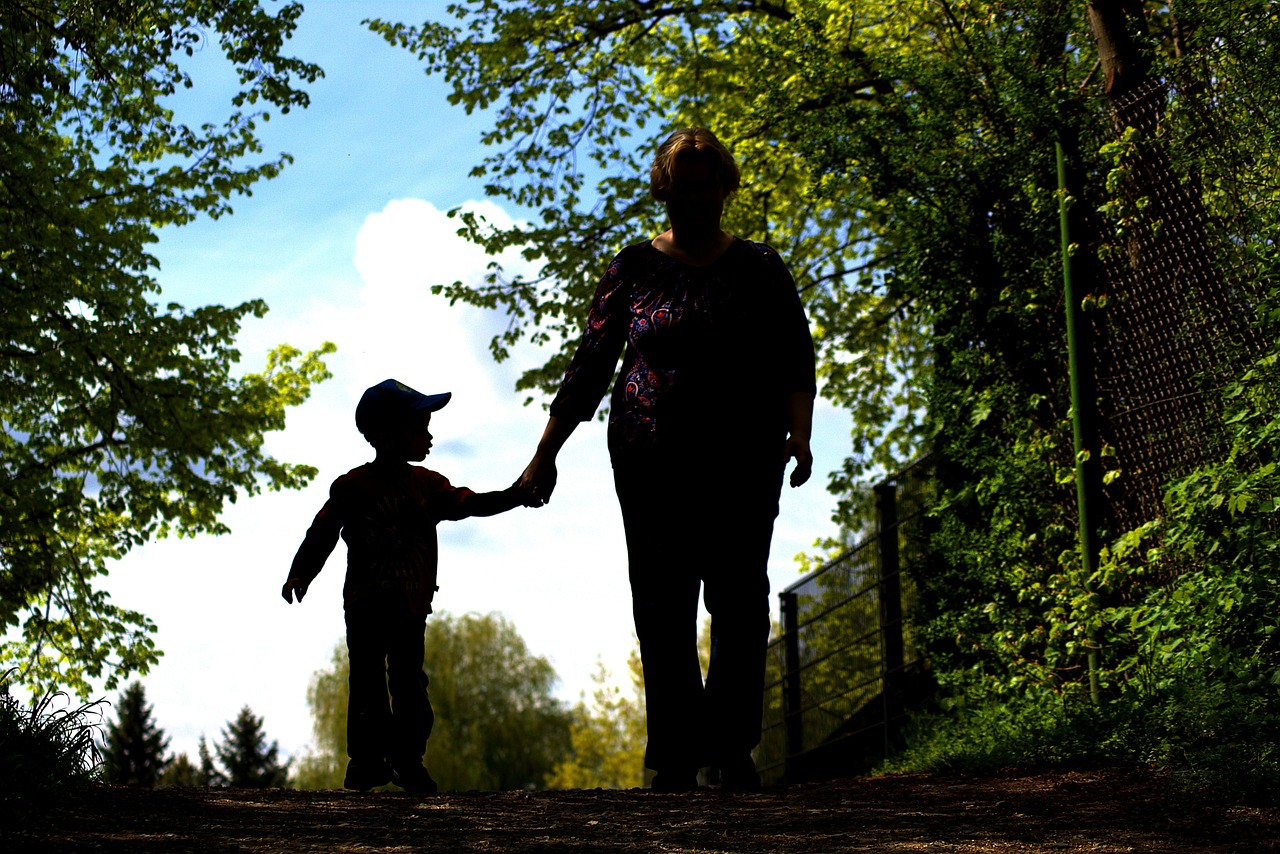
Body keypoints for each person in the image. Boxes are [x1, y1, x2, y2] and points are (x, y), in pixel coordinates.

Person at [518, 128, 817, 791]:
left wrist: (800, 433)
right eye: (685, 183)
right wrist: (546, 454)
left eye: (709, 182)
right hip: (650, 458)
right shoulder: (632, 268)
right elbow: (592, 363)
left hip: (744, 457)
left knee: (739, 596)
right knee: (663, 600)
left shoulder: (761, 268)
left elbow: (795, 355)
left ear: (724, 189)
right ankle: (677, 755)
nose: (697, 195)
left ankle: (732, 753)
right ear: (665, 189)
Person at [282, 379, 534, 793]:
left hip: (409, 607)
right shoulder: (353, 487)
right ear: (386, 435)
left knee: (409, 683)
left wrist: (514, 495)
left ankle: (407, 760)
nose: (430, 436)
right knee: (366, 682)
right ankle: (366, 761)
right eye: (421, 428)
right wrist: (300, 572)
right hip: (364, 606)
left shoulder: (428, 486)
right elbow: (321, 533)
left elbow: (469, 504)